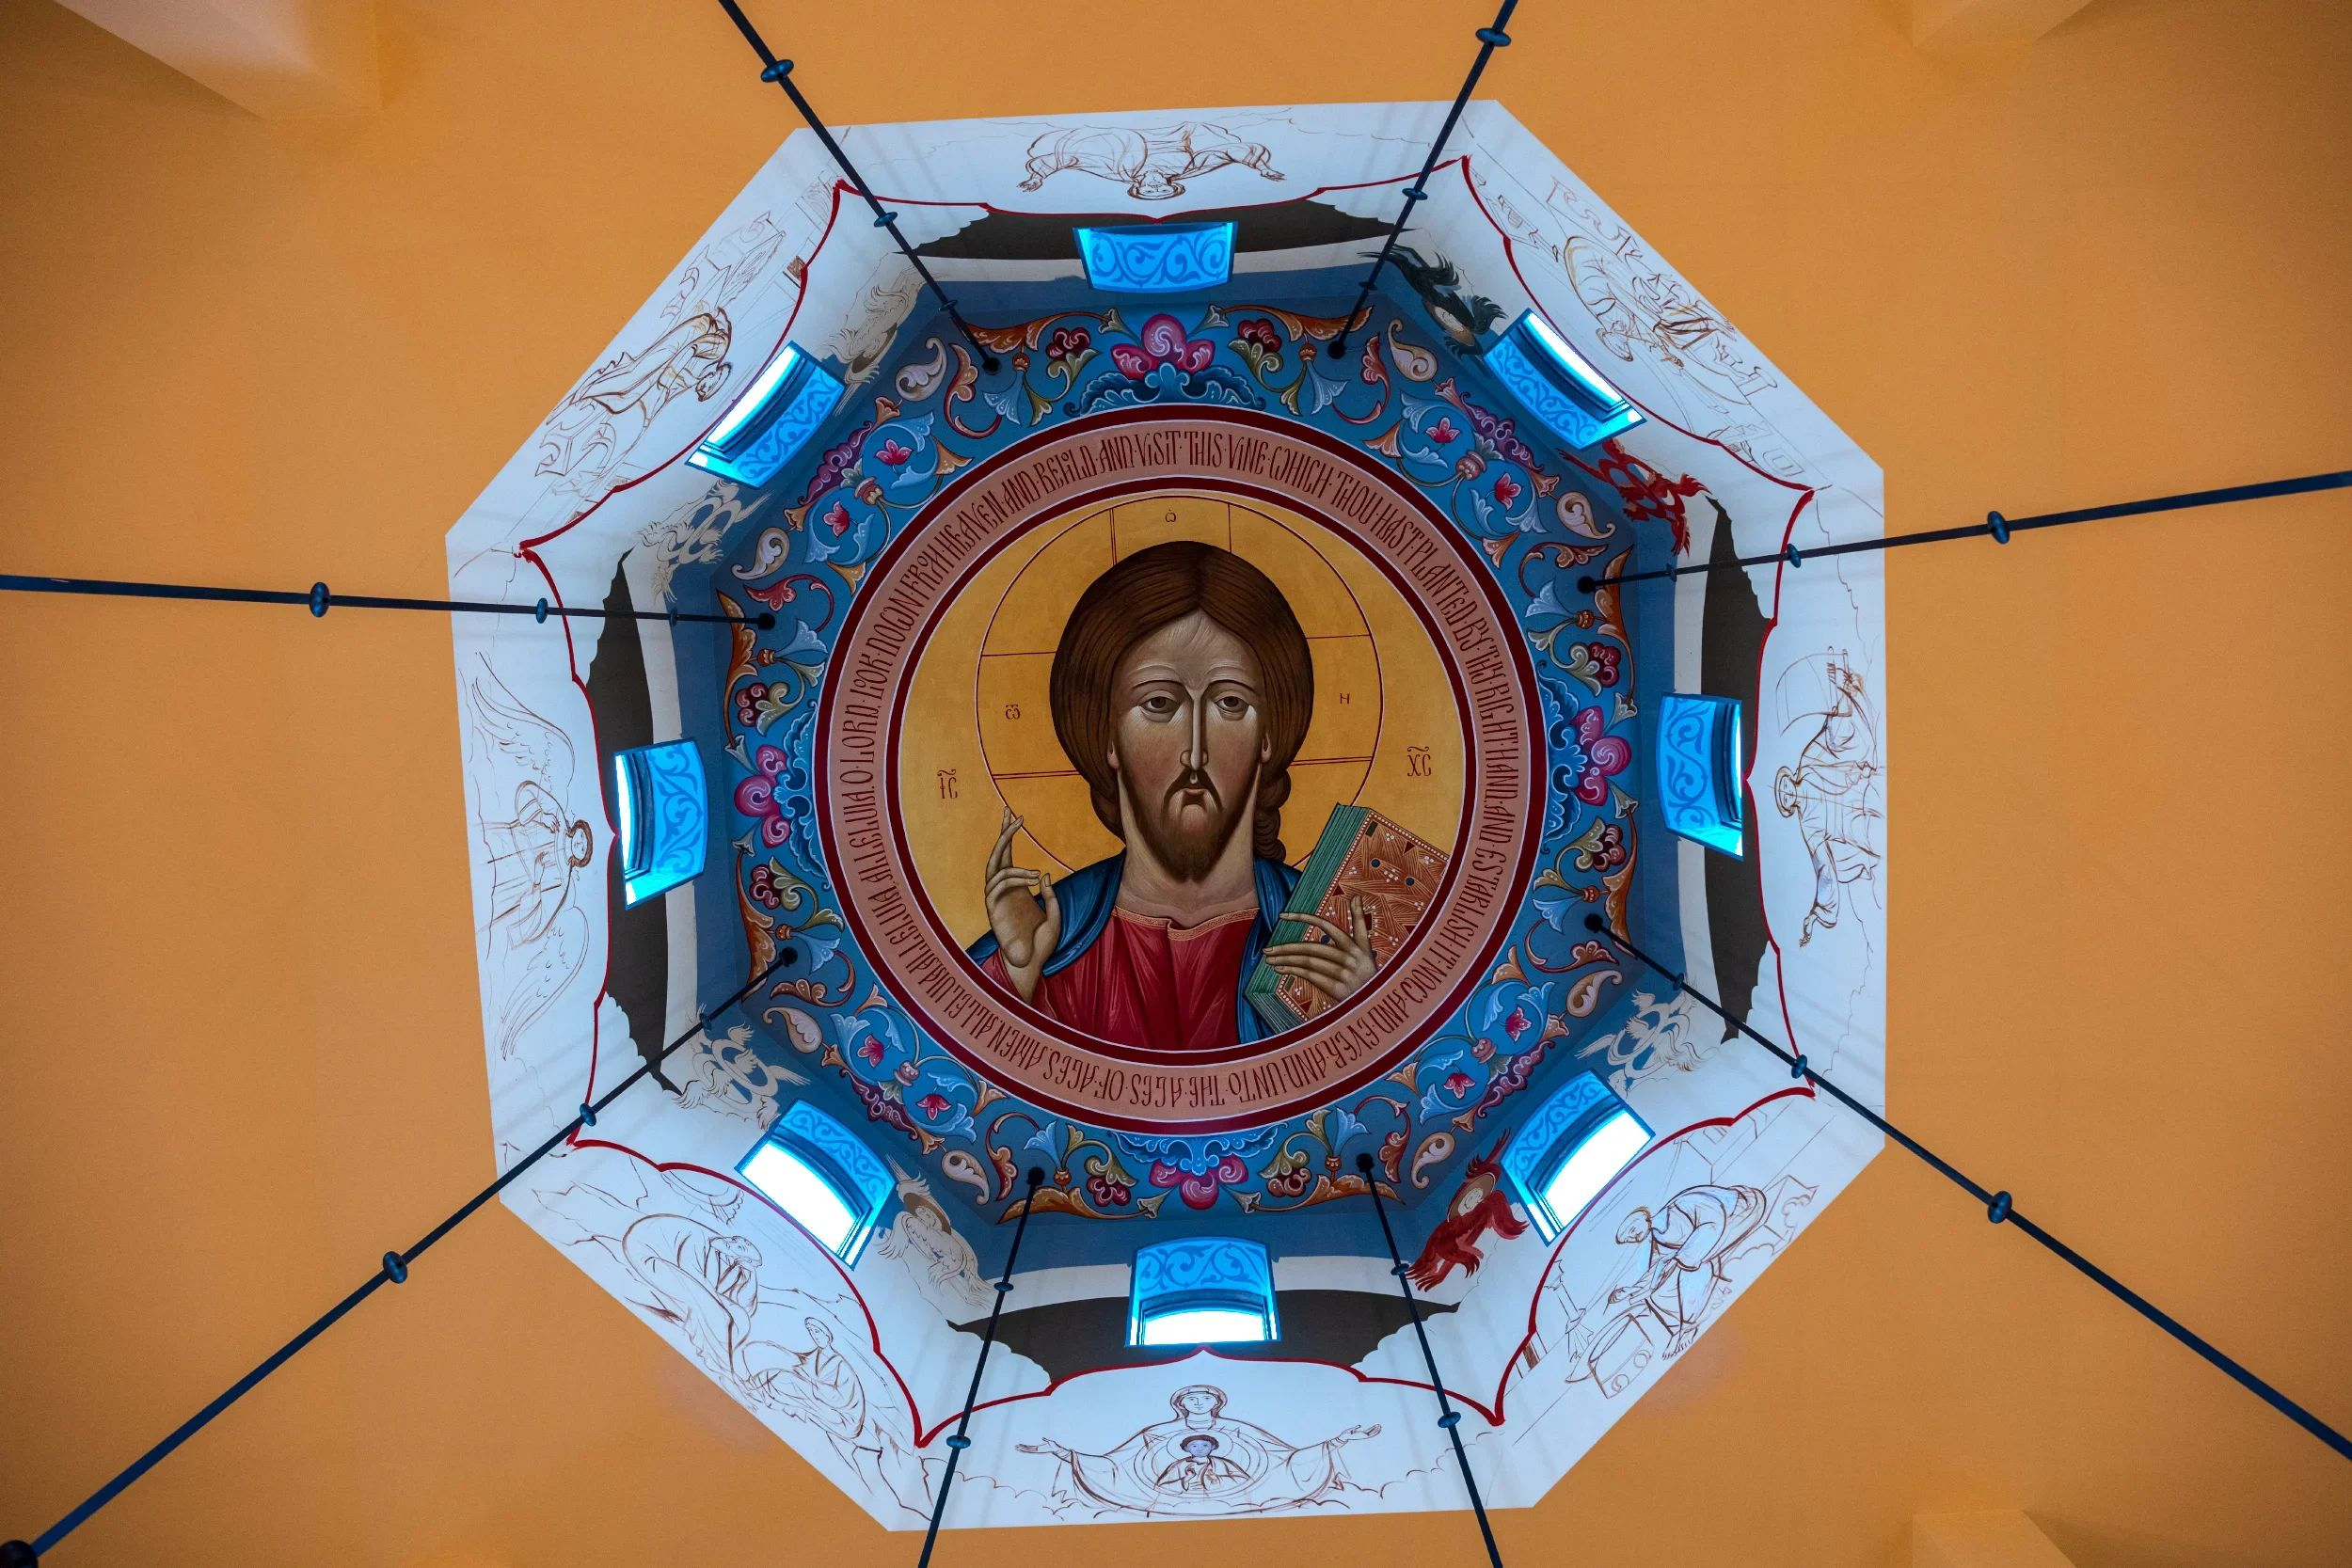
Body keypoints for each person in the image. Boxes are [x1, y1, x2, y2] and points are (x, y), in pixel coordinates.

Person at [969, 542, 1375, 1053]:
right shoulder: (1043, 942)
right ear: (1107, 736)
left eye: (1230, 703)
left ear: (1268, 736)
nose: (1195, 753)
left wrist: (1366, 1012)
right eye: (1159, 703)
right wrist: (1016, 979)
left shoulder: (1335, 937)